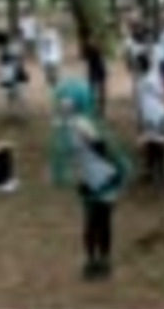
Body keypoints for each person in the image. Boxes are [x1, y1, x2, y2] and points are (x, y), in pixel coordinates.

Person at [50, 79, 133, 280]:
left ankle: (100, 261)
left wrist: (118, 168)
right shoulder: (67, 125)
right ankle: (95, 261)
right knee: (93, 222)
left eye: (67, 99)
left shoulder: (80, 124)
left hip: (102, 177)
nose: (63, 102)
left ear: (76, 102)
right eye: (62, 99)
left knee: (99, 221)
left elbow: (102, 148)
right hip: (90, 179)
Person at [134, 56, 164, 185]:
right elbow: (162, 94)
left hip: (154, 116)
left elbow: (140, 104)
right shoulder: (153, 78)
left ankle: (158, 174)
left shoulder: (143, 81)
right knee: (154, 145)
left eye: (137, 66)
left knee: (156, 145)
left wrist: (139, 121)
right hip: (158, 114)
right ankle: (155, 173)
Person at [0, 34, 28, 117]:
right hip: (15, 74)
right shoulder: (13, 48)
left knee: (11, 95)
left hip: (8, 74)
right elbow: (21, 59)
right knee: (19, 94)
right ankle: (20, 111)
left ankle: (13, 111)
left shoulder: (2, 51)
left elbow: (2, 64)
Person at [82, 39, 108, 116]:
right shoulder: (94, 52)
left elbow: (85, 57)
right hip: (98, 70)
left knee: (95, 91)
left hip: (96, 70)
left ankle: (98, 109)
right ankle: (100, 109)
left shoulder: (90, 51)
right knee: (99, 91)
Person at [38, 20, 63, 89]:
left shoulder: (43, 35)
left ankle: (53, 84)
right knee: (51, 72)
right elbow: (59, 45)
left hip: (49, 58)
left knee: (50, 72)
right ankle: (53, 84)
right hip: (52, 57)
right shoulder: (54, 34)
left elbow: (40, 48)